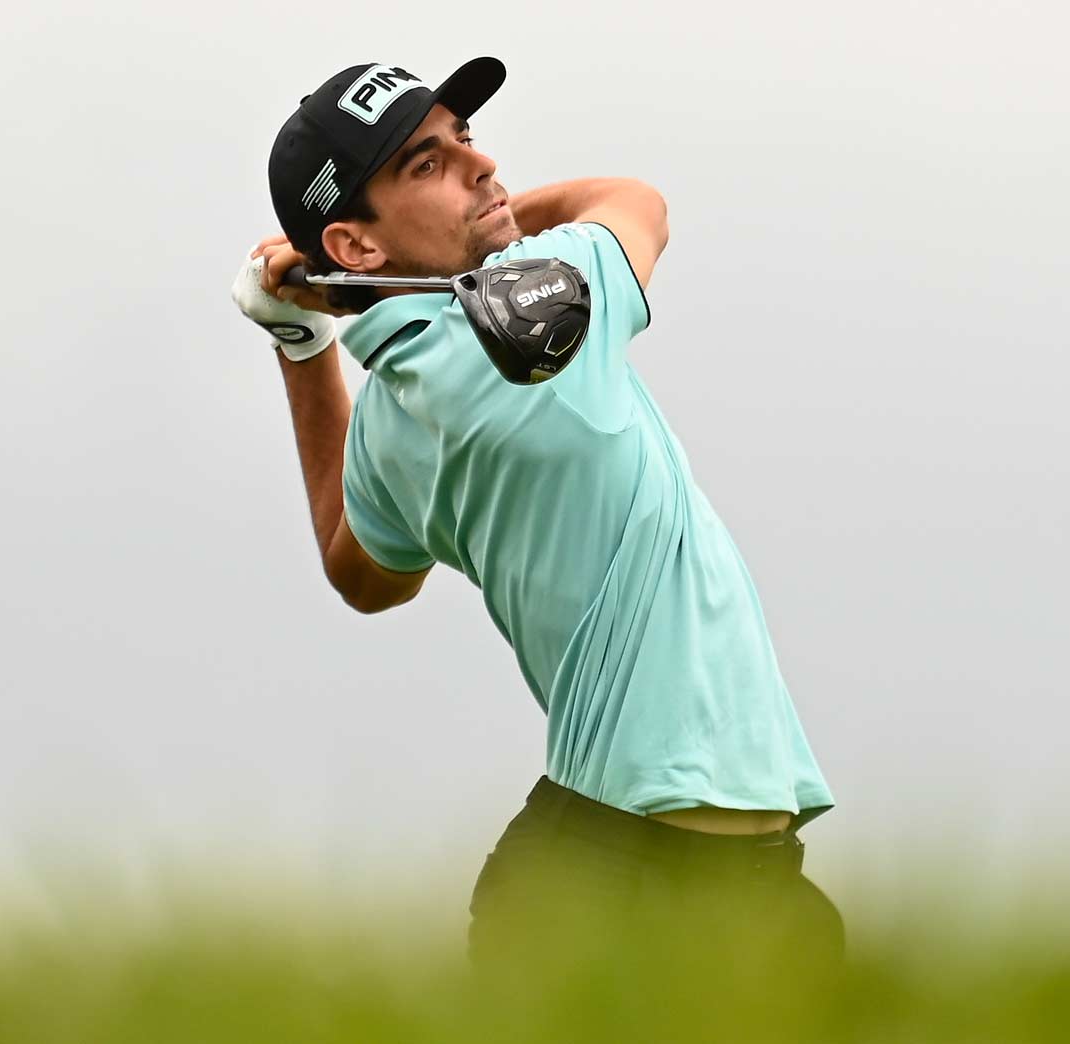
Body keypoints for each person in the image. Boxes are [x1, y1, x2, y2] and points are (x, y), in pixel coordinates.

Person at [228, 57, 843, 988]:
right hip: (629, 879)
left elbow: (359, 573)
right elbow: (633, 199)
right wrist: (509, 222)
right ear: (356, 245)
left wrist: (301, 341)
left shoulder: (397, 420)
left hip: (662, 867)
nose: (479, 167)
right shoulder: (545, 303)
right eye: (425, 166)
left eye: (465, 139)